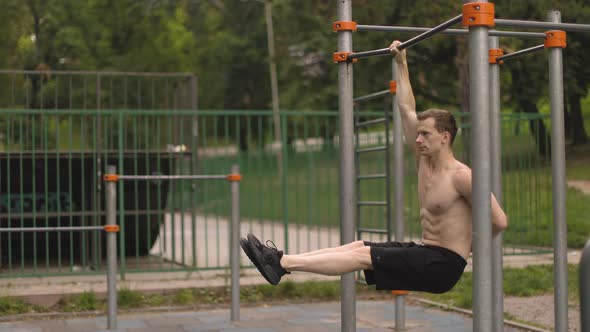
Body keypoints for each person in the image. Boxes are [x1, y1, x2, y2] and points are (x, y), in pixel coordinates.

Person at [240, 40, 508, 293]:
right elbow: (405, 108)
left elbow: (499, 220)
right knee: (358, 246)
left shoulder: (462, 176)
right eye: (418, 133)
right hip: (426, 252)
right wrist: (401, 63)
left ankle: (282, 264)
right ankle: (280, 259)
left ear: (445, 137)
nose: (418, 139)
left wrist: (472, 245)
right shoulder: (424, 161)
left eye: (425, 134)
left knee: (361, 256)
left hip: (443, 265)